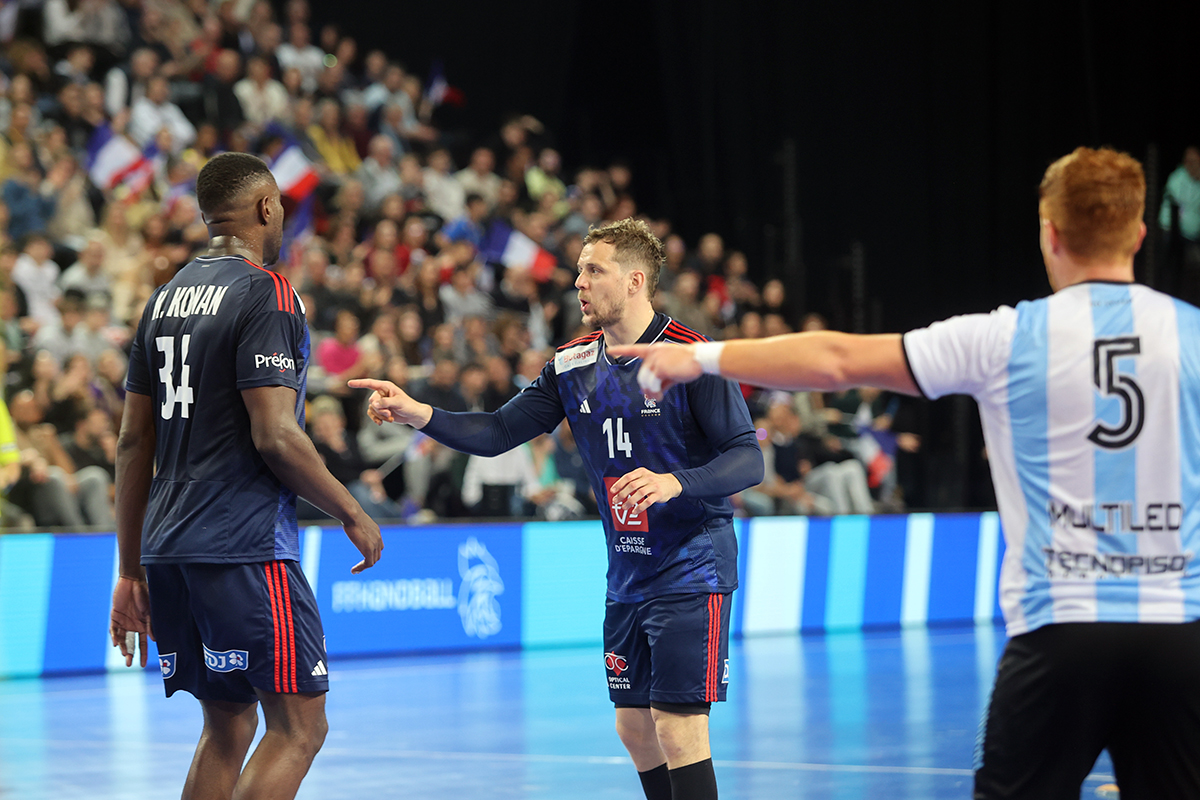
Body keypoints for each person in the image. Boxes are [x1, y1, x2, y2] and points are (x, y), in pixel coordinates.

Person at [618, 147, 1200, 800]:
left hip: (1060, 634)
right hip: (1180, 634)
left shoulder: (1006, 337)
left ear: (1051, 234)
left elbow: (837, 360)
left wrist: (703, 358)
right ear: (1139, 233)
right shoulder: (1191, 335)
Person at [351, 218, 763, 800]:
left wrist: (675, 482)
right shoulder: (572, 364)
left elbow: (747, 458)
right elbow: (499, 431)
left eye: (594, 270)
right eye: (578, 270)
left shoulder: (691, 357)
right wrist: (419, 413)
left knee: (677, 727)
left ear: (635, 280)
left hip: (692, 566)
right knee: (634, 729)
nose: (578, 282)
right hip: (628, 571)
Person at [109, 152, 383, 800]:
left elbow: (132, 442)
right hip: (243, 544)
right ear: (265, 207)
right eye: (281, 205)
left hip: (169, 547)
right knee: (300, 726)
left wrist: (130, 569)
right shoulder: (268, 292)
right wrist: (351, 510)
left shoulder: (162, 300)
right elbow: (276, 436)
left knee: (228, 724)